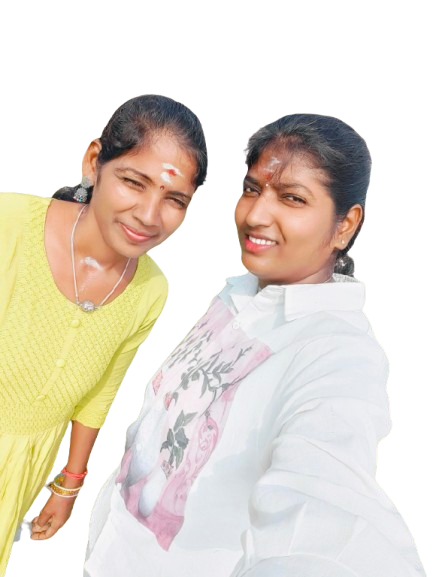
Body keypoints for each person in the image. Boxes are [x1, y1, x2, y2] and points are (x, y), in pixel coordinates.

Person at [83, 113, 425, 577]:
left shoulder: (340, 355)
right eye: (252, 189)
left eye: (292, 198)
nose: (255, 216)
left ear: (345, 225)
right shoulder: (240, 293)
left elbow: (320, 512)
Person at [0, 93, 208, 576]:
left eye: (174, 199)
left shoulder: (150, 290)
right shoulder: (8, 224)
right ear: (94, 161)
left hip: (24, 468)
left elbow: (101, 393)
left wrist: (70, 482)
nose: (150, 215)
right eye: (134, 182)